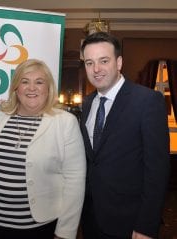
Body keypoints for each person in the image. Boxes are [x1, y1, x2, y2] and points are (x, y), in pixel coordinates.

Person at [79, 31, 170, 239]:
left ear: (119, 62)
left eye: (104, 61)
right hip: (91, 219)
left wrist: (147, 225)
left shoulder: (148, 101)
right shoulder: (86, 104)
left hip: (130, 223)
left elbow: (157, 170)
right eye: (89, 63)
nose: (96, 69)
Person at [0, 59, 86, 239]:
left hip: (38, 227)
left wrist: (65, 232)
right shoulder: (0, 115)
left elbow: (75, 180)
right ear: (16, 88)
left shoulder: (64, 122)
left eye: (39, 82)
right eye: (25, 81)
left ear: (48, 89)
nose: (32, 88)